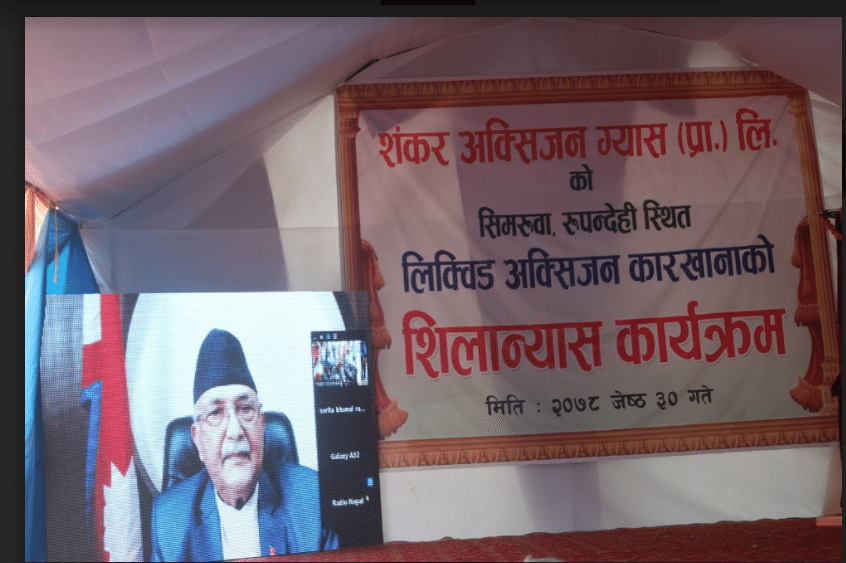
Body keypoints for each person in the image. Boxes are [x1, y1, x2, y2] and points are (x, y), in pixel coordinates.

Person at [150, 329, 338, 561]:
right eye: (216, 413)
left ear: (262, 425)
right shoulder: (169, 519)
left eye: (246, 409)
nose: (235, 431)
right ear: (198, 439)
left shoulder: (312, 499)